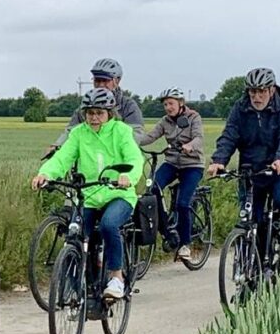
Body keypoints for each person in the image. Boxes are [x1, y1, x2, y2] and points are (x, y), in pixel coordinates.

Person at [32, 88, 144, 298]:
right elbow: (63, 157)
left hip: (118, 194)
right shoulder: (79, 133)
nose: (94, 118)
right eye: (90, 113)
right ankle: (77, 284)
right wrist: (45, 174)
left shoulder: (121, 131)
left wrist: (128, 177)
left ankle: (116, 277)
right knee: (75, 232)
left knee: (109, 225)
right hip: (89, 195)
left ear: (109, 113)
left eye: (99, 113)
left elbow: (134, 159)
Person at [206, 68, 280, 271]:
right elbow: (230, 135)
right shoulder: (240, 109)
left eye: (261, 92)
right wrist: (219, 160)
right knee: (250, 218)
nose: (256, 97)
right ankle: (253, 270)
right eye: (252, 92)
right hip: (251, 170)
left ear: (272, 90)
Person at [139, 87, 204, 261]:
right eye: (165, 104)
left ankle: (185, 244)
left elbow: (199, 137)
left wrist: (190, 145)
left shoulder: (193, 117)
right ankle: (166, 229)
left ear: (181, 103)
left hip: (192, 164)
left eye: (171, 103)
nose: (168, 107)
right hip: (172, 163)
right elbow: (150, 137)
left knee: (183, 203)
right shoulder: (165, 121)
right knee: (152, 189)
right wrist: (130, 141)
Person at [47, 58, 144, 153]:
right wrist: (57, 145)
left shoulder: (128, 105)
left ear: (117, 81)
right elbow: (71, 131)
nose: (101, 85)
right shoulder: (87, 105)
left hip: (119, 158)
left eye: (105, 81)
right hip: (90, 156)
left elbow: (136, 135)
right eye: (97, 80)